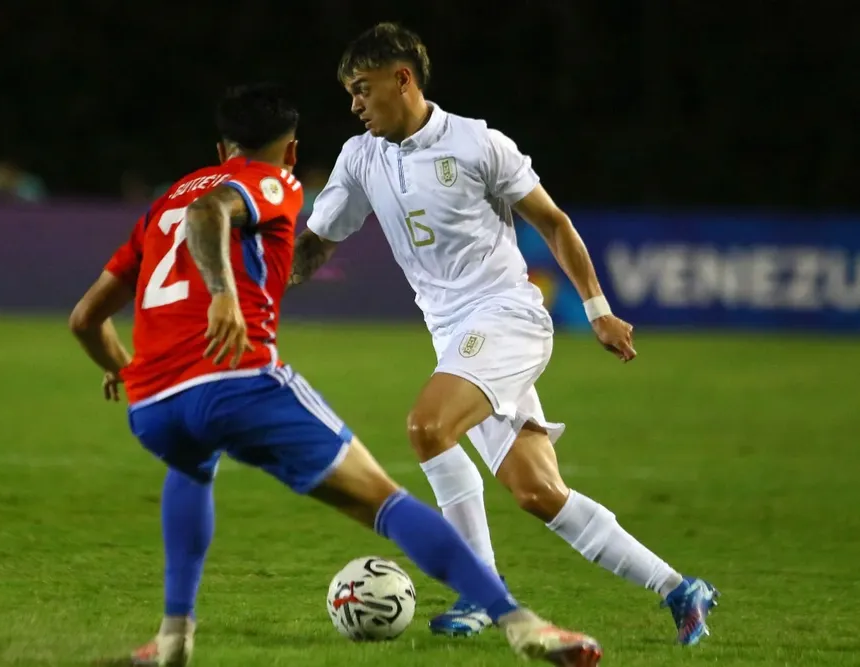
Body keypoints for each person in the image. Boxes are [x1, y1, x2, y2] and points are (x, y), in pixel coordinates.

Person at [69, 83, 603, 667]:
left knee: (190, 468)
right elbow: (211, 211)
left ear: (219, 147)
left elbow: (85, 319)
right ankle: (520, 625)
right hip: (237, 384)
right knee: (385, 502)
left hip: (154, 407)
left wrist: (124, 369)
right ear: (291, 152)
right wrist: (224, 295)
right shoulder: (268, 181)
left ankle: (173, 639)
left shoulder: (163, 202)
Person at [289, 22, 719, 645]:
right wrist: (257, 279)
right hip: (454, 338)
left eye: (362, 88)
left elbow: (553, 221)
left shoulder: (477, 144)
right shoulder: (362, 156)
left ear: (401, 79)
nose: (354, 104)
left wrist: (598, 309)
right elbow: (314, 246)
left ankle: (480, 591)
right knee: (539, 492)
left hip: (506, 318)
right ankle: (680, 589)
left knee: (426, 427)